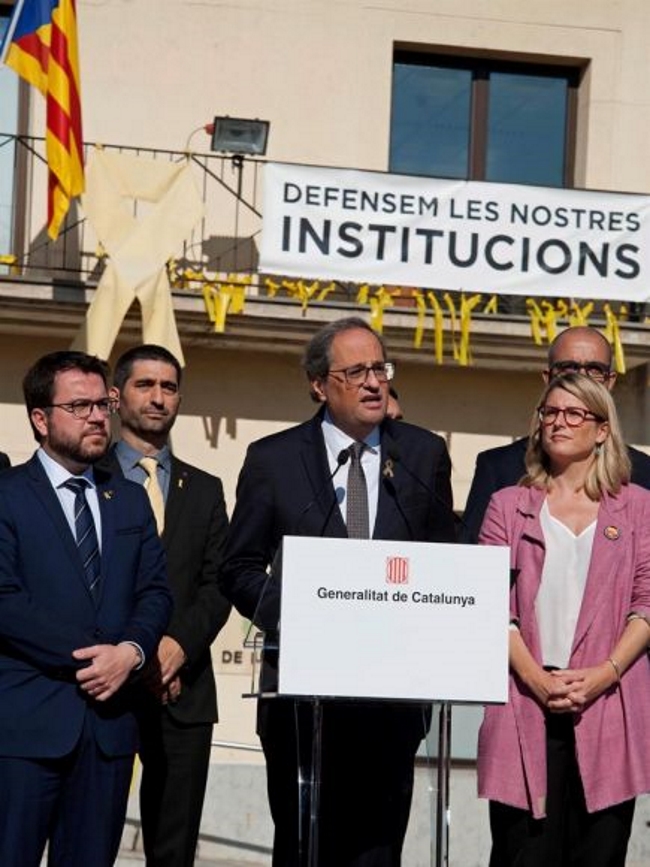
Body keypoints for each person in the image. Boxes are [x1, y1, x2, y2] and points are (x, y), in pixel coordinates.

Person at [220, 316, 456, 867]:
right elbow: (239, 567)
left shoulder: (422, 456)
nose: (374, 383)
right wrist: (304, 617)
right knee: (304, 848)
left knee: (377, 850)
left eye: (380, 368)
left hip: (392, 699)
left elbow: (446, 564)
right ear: (319, 385)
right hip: (301, 698)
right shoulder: (273, 459)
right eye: (356, 372)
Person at [0, 350, 172, 867]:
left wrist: (132, 653)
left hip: (108, 732)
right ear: (40, 418)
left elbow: (156, 592)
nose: (98, 416)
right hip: (24, 734)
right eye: (79, 406)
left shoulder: (130, 499)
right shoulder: (7, 496)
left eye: (103, 404)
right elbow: (5, 600)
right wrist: (95, 657)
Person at [477, 372, 650, 867]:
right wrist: (536, 679)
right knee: (522, 854)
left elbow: (646, 604)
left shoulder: (638, 508)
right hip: (525, 699)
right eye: (550, 412)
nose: (558, 422)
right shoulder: (508, 506)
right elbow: (492, 604)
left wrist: (604, 673)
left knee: (599, 853)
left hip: (607, 699)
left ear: (601, 429)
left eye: (574, 413)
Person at [106, 344, 231, 867]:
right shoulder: (89, 481)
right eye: (145, 385)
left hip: (185, 690)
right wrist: (136, 653)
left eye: (169, 387)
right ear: (116, 397)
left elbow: (219, 582)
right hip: (104, 688)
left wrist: (176, 646)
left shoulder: (205, 489)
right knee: (91, 838)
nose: (159, 398)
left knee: (173, 848)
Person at [462, 325, 650, 542]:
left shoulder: (643, 475)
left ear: (610, 380)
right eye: (568, 368)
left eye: (594, 370)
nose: (581, 378)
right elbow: (474, 561)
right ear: (547, 377)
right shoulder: (498, 467)